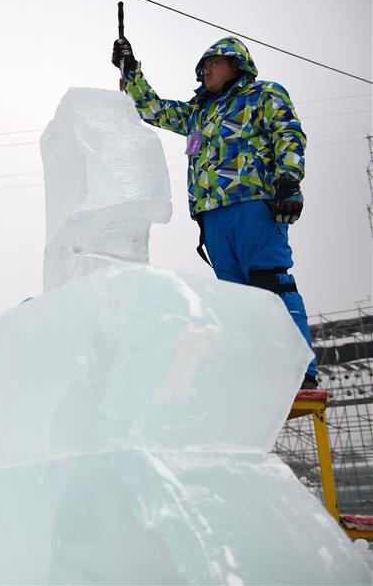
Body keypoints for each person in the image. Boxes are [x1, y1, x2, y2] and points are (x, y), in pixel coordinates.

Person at [111, 35, 317, 390]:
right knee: (236, 300)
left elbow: (288, 133)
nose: (205, 70)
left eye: (213, 63)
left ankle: (300, 370)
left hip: (253, 203)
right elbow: (153, 109)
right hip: (212, 215)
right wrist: (130, 70)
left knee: (270, 281)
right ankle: (255, 376)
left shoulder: (263, 94)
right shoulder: (198, 111)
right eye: (202, 66)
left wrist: (288, 180)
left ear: (237, 64)